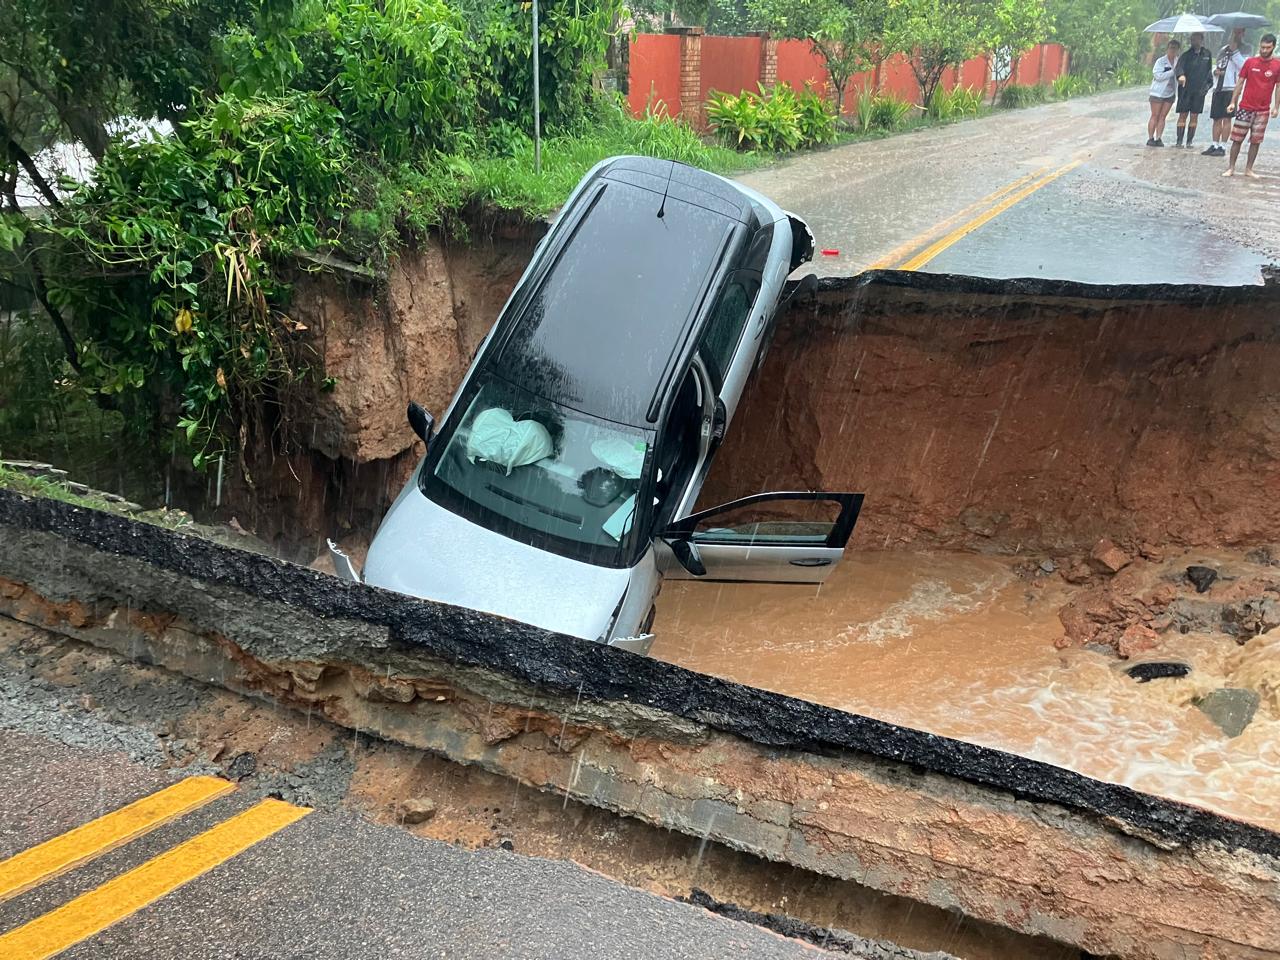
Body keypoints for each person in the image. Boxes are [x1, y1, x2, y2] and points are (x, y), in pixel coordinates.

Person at [1225, 33, 1280, 177]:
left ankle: (1249, 169)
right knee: (1237, 138)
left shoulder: (1277, 65)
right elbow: (1240, 83)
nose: (1264, 50)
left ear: (1273, 47)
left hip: (1263, 110)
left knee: (1256, 140)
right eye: (1262, 47)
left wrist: (1276, 107)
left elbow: (1278, 87)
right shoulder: (1250, 62)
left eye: (1268, 48)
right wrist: (1232, 102)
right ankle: (1231, 168)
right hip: (1245, 107)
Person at [1206, 28, 1249, 156]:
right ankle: (1214, 144)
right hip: (1219, 86)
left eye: (1238, 32)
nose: (1235, 34)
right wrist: (1215, 72)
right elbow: (1217, 63)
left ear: (1243, 34)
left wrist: (1235, 51)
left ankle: (1223, 146)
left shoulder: (1245, 49)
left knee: (1227, 118)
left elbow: (1244, 67)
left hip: (1231, 87)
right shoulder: (1223, 49)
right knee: (1216, 118)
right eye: (1234, 32)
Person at [1175, 32, 1214, 147]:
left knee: (1194, 115)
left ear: (1201, 40)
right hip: (1185, 90)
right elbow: (1179, 67)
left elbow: (1208, 72)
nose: (1194, 42)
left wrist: (1207, 86)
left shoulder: (1207, 54)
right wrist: (1181, 76)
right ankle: (1179, 141)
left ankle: (1189, 141)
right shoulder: (1186, 55)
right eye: (1192, 40)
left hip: (1199, 91)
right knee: (1183, 115)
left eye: (1197, 39)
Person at [1148, 39, 1180, 145]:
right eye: (1171, 48)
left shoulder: (1178, 62)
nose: (1173, 50)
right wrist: (1172, 72)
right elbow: (1158, 76)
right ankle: (1150, 138)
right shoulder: (1160, 61)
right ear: (1167, 49)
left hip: (1170, 93)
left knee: (1162, 116)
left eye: (1175, 48)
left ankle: (1158, 138)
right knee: (1155, 115)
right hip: (1158, 92)